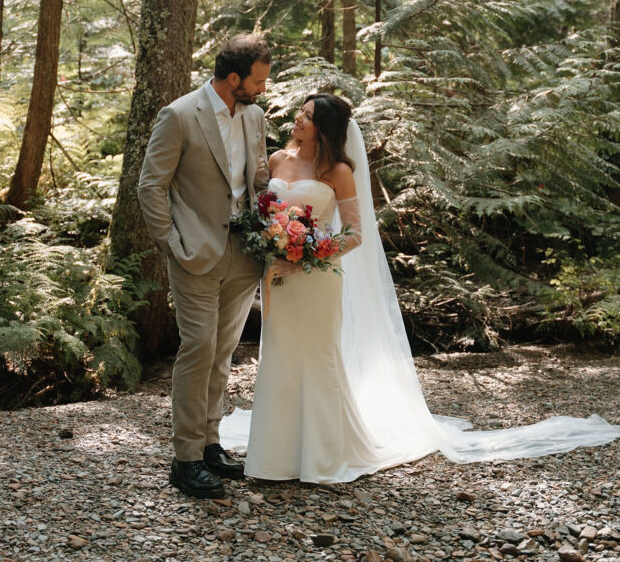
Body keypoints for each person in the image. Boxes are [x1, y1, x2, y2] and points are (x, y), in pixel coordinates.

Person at [221, 94, 620, 484]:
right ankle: (274, 458)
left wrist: (307, 253)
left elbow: (355, 234)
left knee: (317, 357)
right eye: (300, 112)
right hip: (277, 277)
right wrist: (273, 245)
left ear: (324, 128)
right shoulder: (278, 160)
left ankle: (322, 458)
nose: (297, 118)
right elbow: (264, 213)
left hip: (316, 277)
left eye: (307, 115)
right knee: (279, 356)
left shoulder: (337, 171)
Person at [138, 34, 271, 498]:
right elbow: (151, 186)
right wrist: (172, 243)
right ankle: (186, 458)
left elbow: (258, 179)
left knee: (222, 351)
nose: (262, 89)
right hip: (194, 253)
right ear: (233, 78)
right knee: (198, 348)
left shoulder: (254, 115)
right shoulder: (178, 115)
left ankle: (211, 444)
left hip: (244, 252)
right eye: (258, 81)